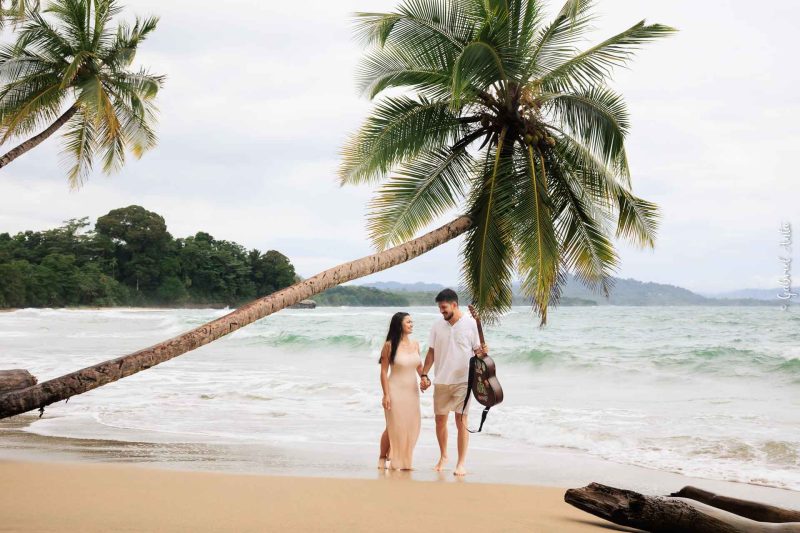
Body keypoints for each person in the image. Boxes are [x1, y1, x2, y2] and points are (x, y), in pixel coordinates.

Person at [420, 289, 487, 476]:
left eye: (444, 308)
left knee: (461, 421)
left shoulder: (471, 324)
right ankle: (443, 456)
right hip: (441, 380)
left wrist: (483, 351)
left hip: (463, 381)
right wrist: (424, 374)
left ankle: (461, 463)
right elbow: (431, 352)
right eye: (440, 308)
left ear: (454, 305)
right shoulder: (437, 325)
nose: (441, 311)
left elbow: (478, 353)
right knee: (440, 420)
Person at [378, 312, 423, 470]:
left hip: (412, 392)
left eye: (412, 322)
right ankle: (383, 457)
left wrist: (424, 378)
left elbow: (418, 366)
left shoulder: (416, 344)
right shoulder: (389, 345)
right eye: (408, 322)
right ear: (399, 325)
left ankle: (404, 461)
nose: (411, 324)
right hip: (395, 390)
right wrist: (386, 395)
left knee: (411, 425)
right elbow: (383, 371)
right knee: (393, 426)